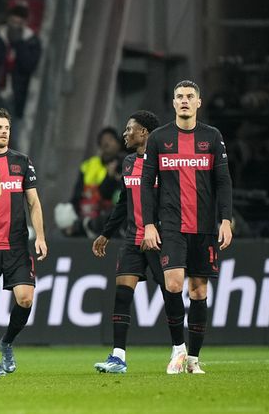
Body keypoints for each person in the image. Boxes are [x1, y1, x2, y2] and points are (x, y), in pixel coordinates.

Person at [141, 80, 233, 374]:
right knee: (173, 283)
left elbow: (223, 181)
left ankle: (193, 358)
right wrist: (148, 224)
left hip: (204, 225)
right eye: (179, 96)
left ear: (198, 103)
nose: (184, 100)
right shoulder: (158, 138)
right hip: (170, 224)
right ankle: (178, 348)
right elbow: (146, 184)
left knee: (198, 289)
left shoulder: (212, 136)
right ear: (173, 103)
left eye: (189, 96)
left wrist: (226, 220)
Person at [92, 110, 166, 373]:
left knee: (171, 294)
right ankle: (118, 357)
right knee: (122, 295)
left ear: (144, 132)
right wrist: (106, 233)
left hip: (160, 239)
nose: (125, 134)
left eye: (129, 129)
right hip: (132, 239)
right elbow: (124, 203)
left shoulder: (164, 163)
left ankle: (183, 352)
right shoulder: (127, 163)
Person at [0, 109, 47, 376]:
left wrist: (40, 235)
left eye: (7, 127)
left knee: (26, 299)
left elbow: (33, 202)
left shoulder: (21, 161)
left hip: (17, 244)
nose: (4, 131)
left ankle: (6, 342)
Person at [68, 127, 124, 237]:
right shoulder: (88, 165)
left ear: (118, 144)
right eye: (103, 140)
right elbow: (77, 194)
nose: (106, 142)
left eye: (110, 139)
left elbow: (109, 195)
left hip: (109, 218)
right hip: (86, 213)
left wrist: (111, 178)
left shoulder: (126, 164)